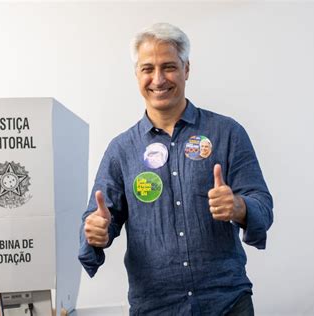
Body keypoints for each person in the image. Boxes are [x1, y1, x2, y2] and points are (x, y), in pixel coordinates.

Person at [79, 22, 273, 315]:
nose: (158, 79)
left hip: (227, 303)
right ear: (136, 75)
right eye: (147, 69)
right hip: (155, 307)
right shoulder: (121, 150)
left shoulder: (227, 133)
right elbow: (98, 219)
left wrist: (239, 207)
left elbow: (262, 204)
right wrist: (94, 231)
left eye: (168, 66)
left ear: (186, 69)